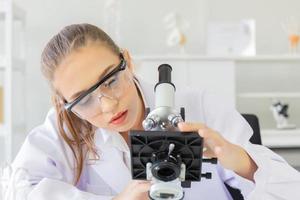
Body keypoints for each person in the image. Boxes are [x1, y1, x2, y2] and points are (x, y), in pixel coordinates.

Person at [5, 23, 300, 200]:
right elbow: (16, 191)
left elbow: (291, 190)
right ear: (66, 104)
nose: (108, 105)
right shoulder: (64, 128)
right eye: (84, 99)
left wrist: (242, 161)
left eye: (111, 80)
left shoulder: (200, 105)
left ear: (128, 62)